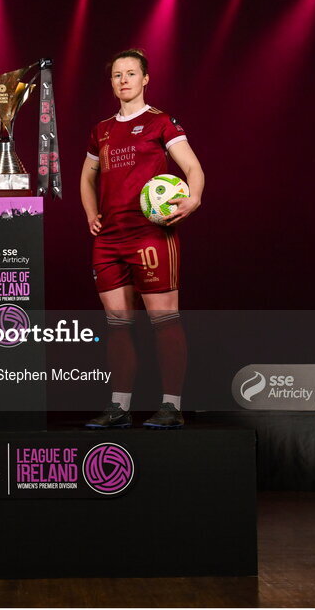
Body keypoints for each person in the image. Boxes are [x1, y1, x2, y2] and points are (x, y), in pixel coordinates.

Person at [80, 48, 204, 429]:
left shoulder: (160, 122)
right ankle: (119, 408)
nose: (124, 80)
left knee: (163, 319)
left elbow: (192, 167)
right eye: (117, 75)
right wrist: (91, 214)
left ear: (145, 78)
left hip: (150, 235)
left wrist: (194, 198)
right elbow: (87, 177)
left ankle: (171, 407)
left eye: (131, 73)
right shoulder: (101, 129)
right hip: (109, 239)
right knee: (118, 323)